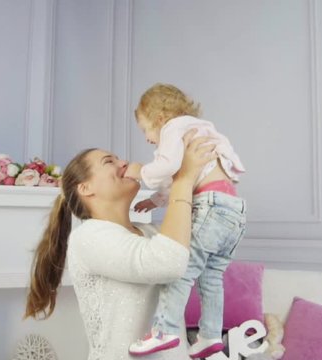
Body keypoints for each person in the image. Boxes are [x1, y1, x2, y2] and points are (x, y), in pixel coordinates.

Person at [24, 130, 217, 360]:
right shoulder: (88, 237)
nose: (124, 163)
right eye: (109, 161)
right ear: (85, 188)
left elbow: (198, 253)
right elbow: (168, 262)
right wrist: (183, 179)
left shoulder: (151, 233)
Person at [126, 83, 247, 358]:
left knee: (181, 268)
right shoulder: (201, 127)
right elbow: (179, 179)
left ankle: (164, 329)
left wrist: (140, 171)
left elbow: (168, 168)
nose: (147, 138)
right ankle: (210, 336)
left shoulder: (173, 128)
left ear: (158, 118)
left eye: (145, 129)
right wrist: (154, 201)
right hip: (233, 209)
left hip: (211, 207)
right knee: (212, 277)